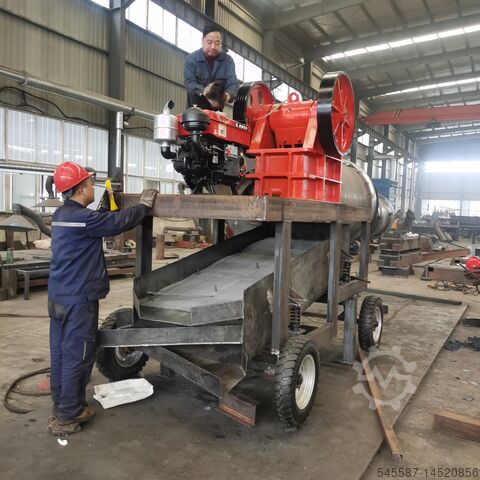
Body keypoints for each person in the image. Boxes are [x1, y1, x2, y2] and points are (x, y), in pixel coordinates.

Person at [47, 161, 158, 436]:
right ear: (80, 188)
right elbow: (119, 223)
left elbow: (96, 223)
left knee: (61, 353)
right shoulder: (85, 219)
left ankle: (61, 405)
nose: (92, 187)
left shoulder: (62, 214)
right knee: (79, 355)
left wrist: (105, 208)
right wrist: (143, 206)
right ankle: (69, 415)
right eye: (90, 183)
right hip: (79, 299)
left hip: (59, 296)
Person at [184, 24, 239, 111]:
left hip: (217, 113)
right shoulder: (191, 59)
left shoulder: (227, 61)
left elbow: (233, 84)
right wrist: (204, 91)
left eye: (217, 43)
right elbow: (189, 83)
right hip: (195, 111)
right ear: (202, 41)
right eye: (209, 42)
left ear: (221, 43)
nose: (213, 47)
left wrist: (228, 95)